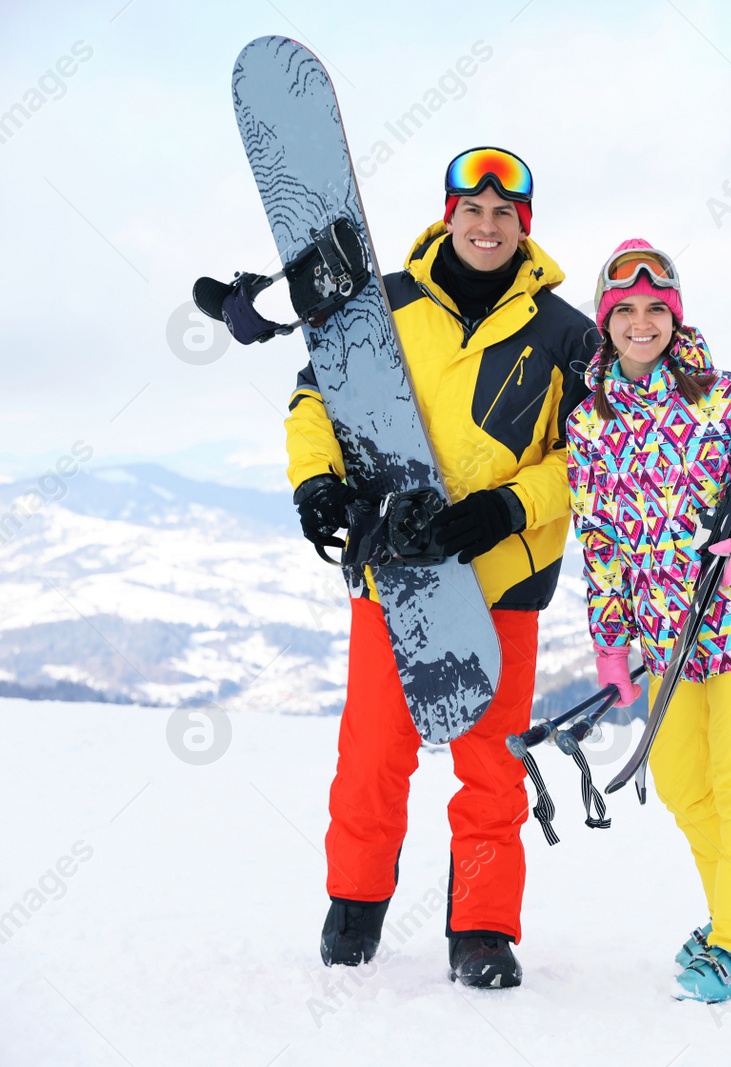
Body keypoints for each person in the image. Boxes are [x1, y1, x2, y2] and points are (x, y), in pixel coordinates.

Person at [284, 146, 593, 988]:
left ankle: (482, 931)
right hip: (396, 571)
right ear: (448, 215)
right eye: (474, 210)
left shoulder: (568, 335)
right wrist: (317, 483)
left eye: (504, 215)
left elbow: (591, 456)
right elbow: (316, 399)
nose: (487, 226)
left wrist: (501, 508)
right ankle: (353, 912)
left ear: (522, 226)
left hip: (503, 580)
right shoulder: (381, 304)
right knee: (374, 754)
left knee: (491, 762)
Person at [566, 240, 731, 1002]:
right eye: (627, 311)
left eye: (657, 308)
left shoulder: (722, 398)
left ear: (674, 318)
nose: (642, 322)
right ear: (607, 322)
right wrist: (610, 641)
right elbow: (600, 543)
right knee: (684, 780)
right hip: (668, 640)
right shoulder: (590, 424)